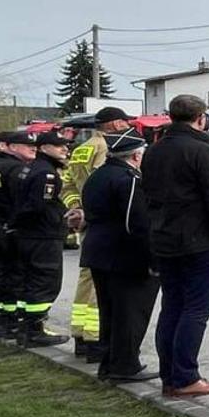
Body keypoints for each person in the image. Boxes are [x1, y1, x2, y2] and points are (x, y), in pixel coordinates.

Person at [142, 94, 209, 398]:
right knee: (197, 310)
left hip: (164, 240)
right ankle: (185, 377)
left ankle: (170, 375)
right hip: (199, 242)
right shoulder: (202, 151)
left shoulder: (153, 152)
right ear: (201, 118)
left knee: (172, 307)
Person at [81, 132, 160, 382]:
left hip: (98, 251)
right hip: (125, 255)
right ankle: (125, 365)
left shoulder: (98, 175)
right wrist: (152, 259)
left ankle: (110, 361)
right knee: (130, 313)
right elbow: (136, 224)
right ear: (136, 156)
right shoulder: (130, 179)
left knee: (110, 311)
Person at [65, 107, 133, 359]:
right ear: (115, 124)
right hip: (105, 221)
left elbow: (69, 184)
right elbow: (107, 184)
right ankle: (96, 339)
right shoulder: (105, 148)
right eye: (124, 121)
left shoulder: (81, 148)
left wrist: (75, 208)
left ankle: (80, 334)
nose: (127, 125)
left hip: (87, 222)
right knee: (101, 284)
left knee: (86, 279)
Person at [9, 132, 73, 348]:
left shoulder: (30, 168)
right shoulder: (46, 174)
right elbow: (39, 206)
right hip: (42, 235)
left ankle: (25, 327)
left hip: (28, 235)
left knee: (29, 281)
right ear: (44, 148)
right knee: (44, 282)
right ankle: (35, 330)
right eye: (59, 146)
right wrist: (58, 216)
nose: (64, 149)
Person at [0, 132, 34, 335]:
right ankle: (11, 321)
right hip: (9, 228)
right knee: (15, 274)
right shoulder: (15, 168)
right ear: (8, 146)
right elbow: (19, 201)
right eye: (25, 145)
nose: (32, 149)